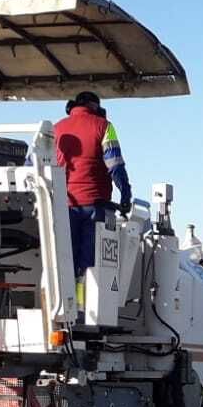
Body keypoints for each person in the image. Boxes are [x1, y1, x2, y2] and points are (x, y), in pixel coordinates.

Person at [53, 91, 132, 313]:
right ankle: (82, 309)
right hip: (95, 205)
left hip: (64, 206)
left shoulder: (56, 128)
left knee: (66, 258)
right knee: (90, 263)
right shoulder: (105, 126)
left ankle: (64, 308)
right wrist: (126, 195)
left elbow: (33, 162)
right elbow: (115, 164)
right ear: (96, 106)